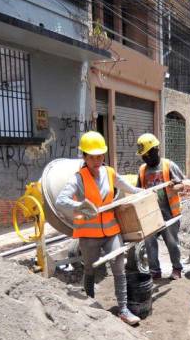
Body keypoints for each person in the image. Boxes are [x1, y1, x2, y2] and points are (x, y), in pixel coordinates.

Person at [55, 131, 143, 326]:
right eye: (92, 157)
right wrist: (79, 206)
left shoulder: (110, 173)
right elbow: (60, 200)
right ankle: (89, 304)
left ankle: (123, 309)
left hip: (111, 231)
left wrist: (144, 192)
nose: (97, 160)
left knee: (119, 267)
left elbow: (129, 188)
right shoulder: (78, 178)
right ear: (84, 157)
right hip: (89, 235)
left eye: (100, 156)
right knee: (90, 269)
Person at [135, 133, 185, 280]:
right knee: (150, 242)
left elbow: (181, 184)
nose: (146, 158)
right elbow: (138, 190)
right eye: (143, 155)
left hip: (169, 213)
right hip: (151, 213)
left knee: (172, 242)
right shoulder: (142, 170)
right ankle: (155, 271)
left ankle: (176, 268)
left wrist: (174, 188)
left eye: (148, 154)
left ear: (156, 150)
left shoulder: (168, 165)